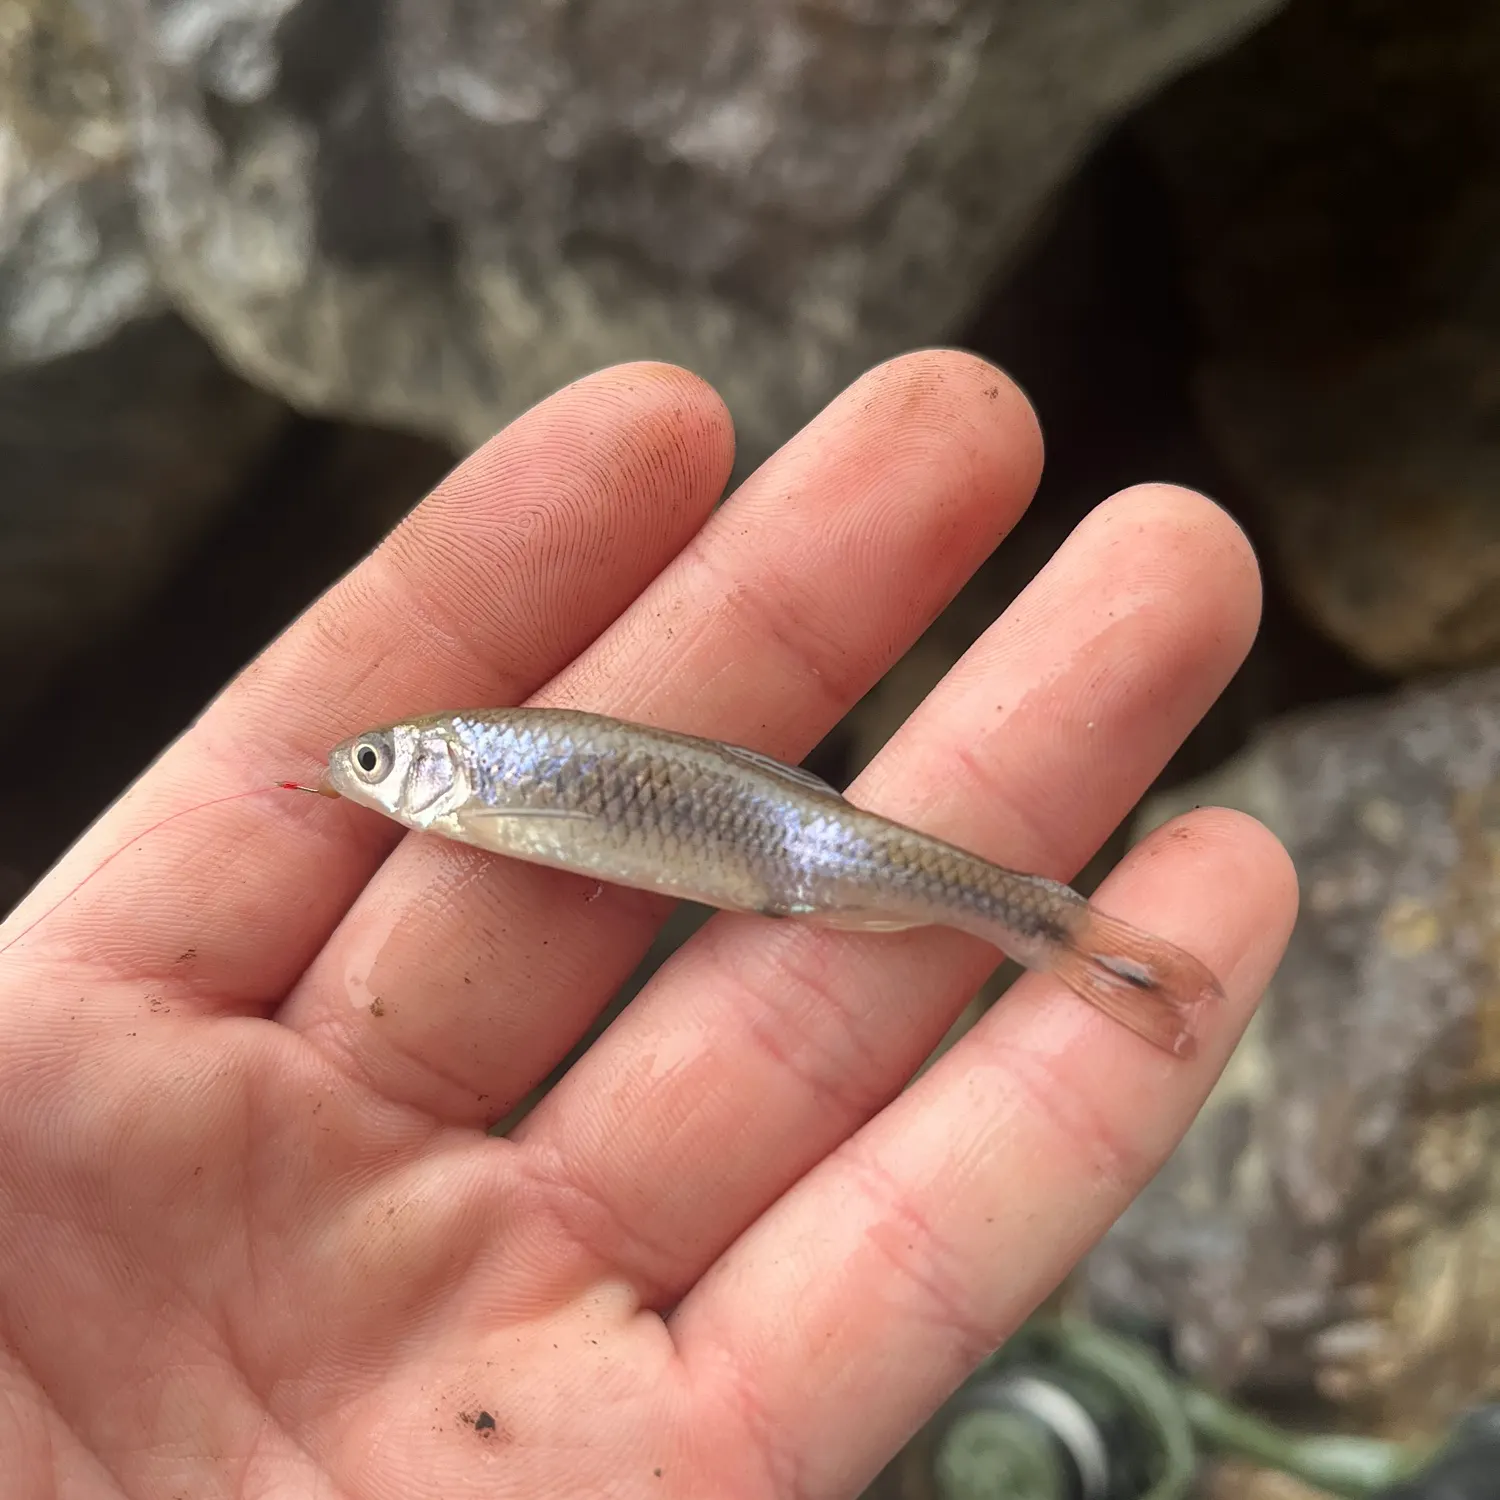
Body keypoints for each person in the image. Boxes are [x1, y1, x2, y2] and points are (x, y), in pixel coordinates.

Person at [0, 352, 1295, 1498]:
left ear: (450, 771)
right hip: (785, 852)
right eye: (385, 765)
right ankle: (1051, 933)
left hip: (790, 850)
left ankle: (1047, 930)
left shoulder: (487, 769)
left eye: (390, 765)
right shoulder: (485, 779)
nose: (381, 780)